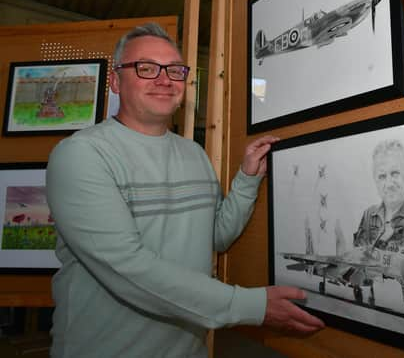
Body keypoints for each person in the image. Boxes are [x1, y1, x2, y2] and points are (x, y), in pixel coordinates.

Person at [46, 22, 323, 358]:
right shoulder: (81, 155)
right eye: (146, 68)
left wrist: (246, 180)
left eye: (175, 70)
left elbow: (215, 237)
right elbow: (128, 269)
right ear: (116, 80)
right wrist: (252, 305)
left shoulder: (193, 153)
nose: (164, 80)